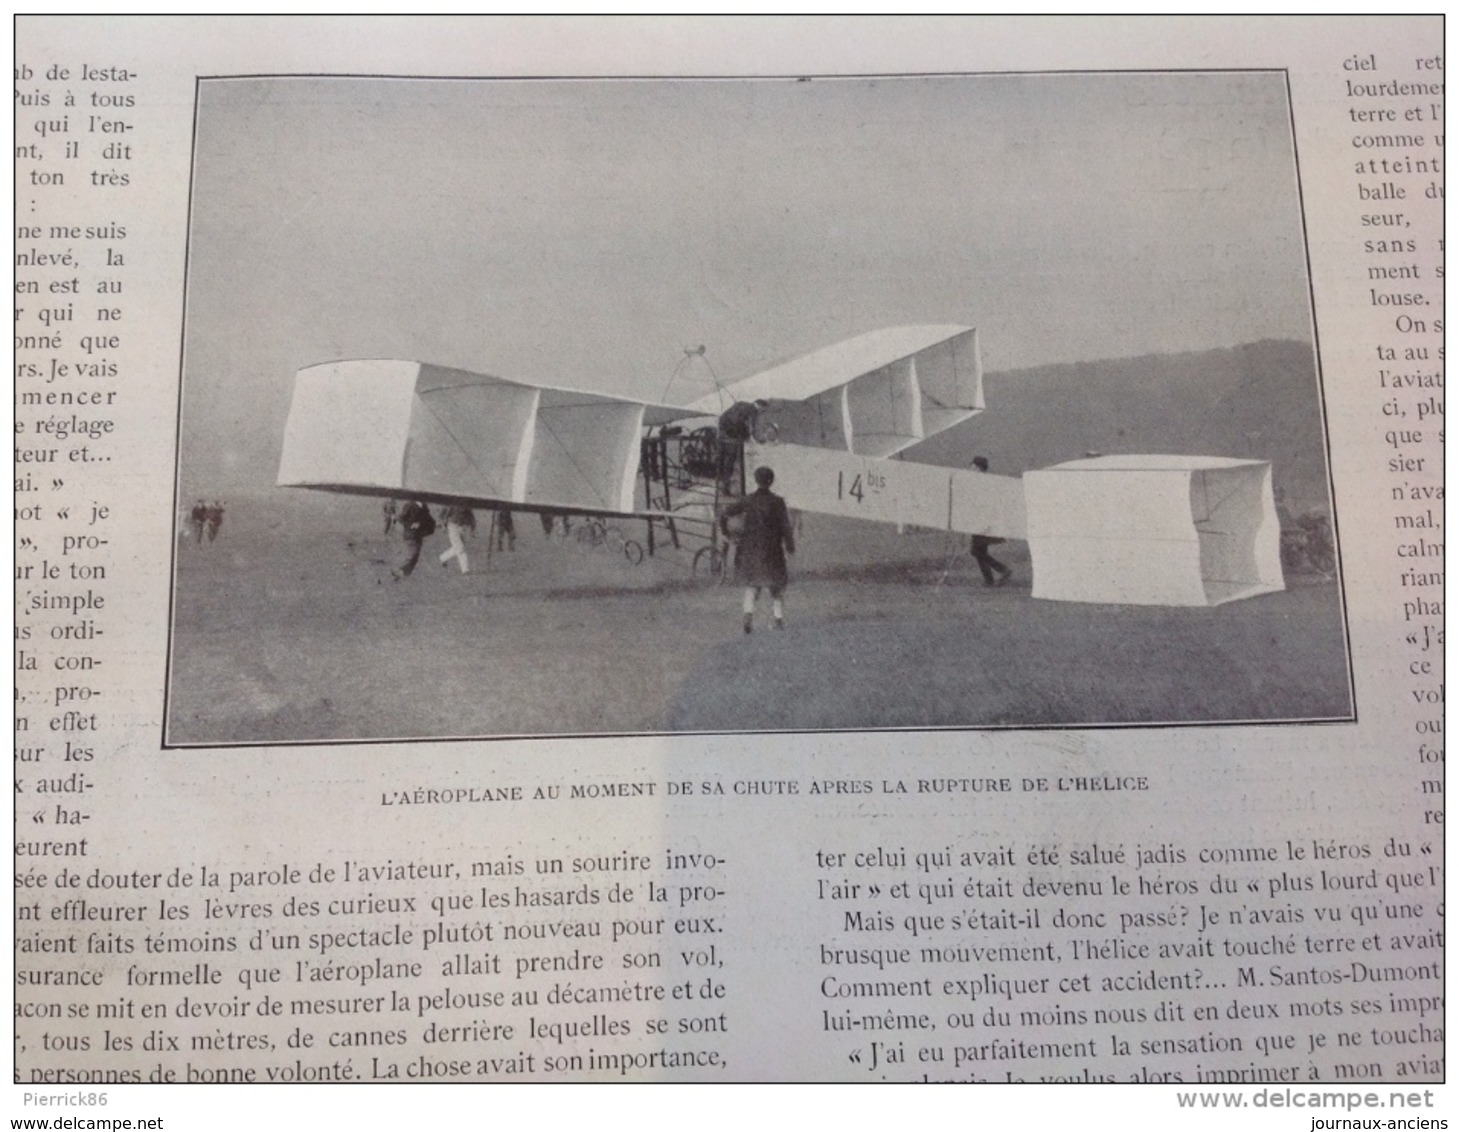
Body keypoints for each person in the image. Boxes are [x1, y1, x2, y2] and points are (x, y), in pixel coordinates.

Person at [719, 465, 796, 633]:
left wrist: (725, 533)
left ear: (756, 480)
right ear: (771, 481)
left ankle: (748, 616)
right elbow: (785, 528)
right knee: (776, 586)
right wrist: (790, 547)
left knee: (752, 586)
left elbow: (724, 514)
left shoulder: (748, 500)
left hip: (750, 550)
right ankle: (778, 620)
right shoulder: (778, 502)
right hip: (772, 550)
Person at [969, 456, 1011, 587]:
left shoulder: (979, 482)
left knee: (976, 551)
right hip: (983, 522)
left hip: (982, 523)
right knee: (980, 552)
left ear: (977, 467)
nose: (970, 468)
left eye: (972, 466)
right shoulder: (985, 481)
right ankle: (990, 580)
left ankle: (1002, 570)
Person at [716, 399, 769, 493]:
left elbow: (725, 418)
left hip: (722, 434)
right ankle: (727, 487)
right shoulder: (753, 410)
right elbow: (749, 426)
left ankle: (721, 484)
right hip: (733, 436)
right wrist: (751, 437)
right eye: (763, 410)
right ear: (761, 406)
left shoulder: (741, 404)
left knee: (722, 460)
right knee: (731, 461)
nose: (763, 412)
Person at [391, 499, 434, 581]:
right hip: (410, 534)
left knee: (415, 556)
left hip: (418, 534)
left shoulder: (424, 506)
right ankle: (396, 570)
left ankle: (400, 574)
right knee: (413, 554)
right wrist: (411, 524)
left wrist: (421, 524)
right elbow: (401, 518)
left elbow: (427, 518)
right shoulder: (410, 505)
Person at [438, 503, 475, 574]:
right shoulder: (452, 504)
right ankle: (465, 569)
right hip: (453, 527)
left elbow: (471, 517)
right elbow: (446, 515)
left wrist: (472, 529)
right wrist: (443, 525)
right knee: (460, 548)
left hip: (463, 527)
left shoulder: (468, 506)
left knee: (458, 547)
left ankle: (443, 557)